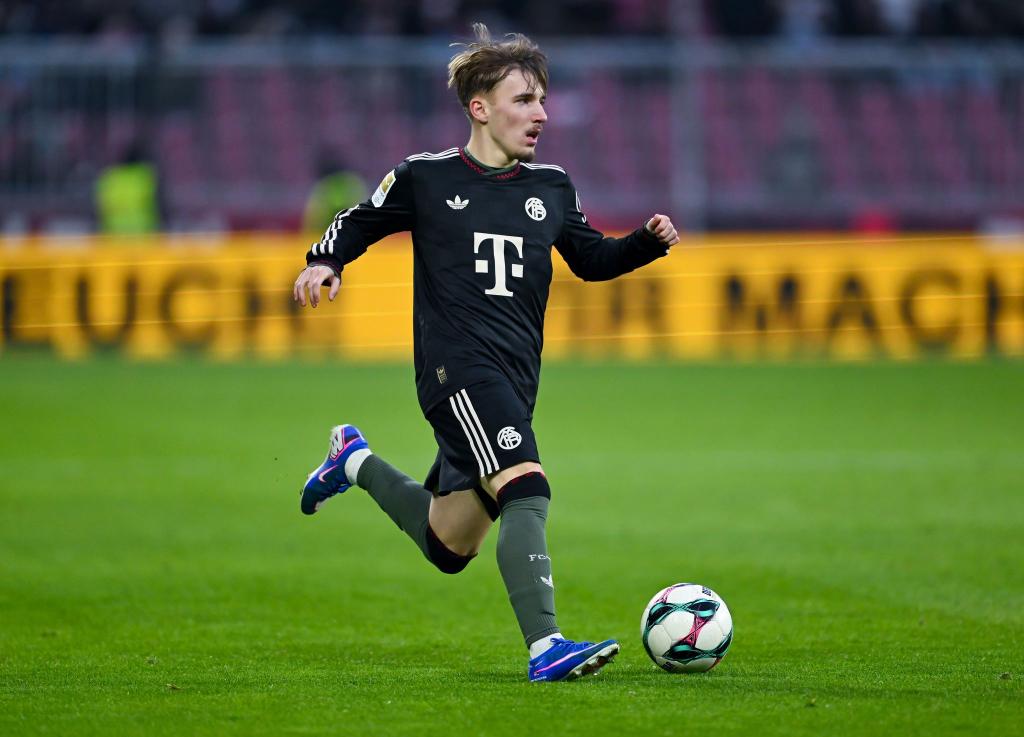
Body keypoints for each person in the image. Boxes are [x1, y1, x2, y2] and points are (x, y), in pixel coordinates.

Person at [292, 23, 679, 682]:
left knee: (449, 543)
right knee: (527, 485)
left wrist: (643, 243)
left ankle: (351, 459)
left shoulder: (551, 186)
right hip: (456, 371)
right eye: (524, 100)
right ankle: (546, 645)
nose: (541, 113)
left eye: (542, 100)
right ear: (479, 108)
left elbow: (590, 259)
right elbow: (360, 218)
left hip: (515, 378)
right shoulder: (426, 177)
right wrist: (325, 259)